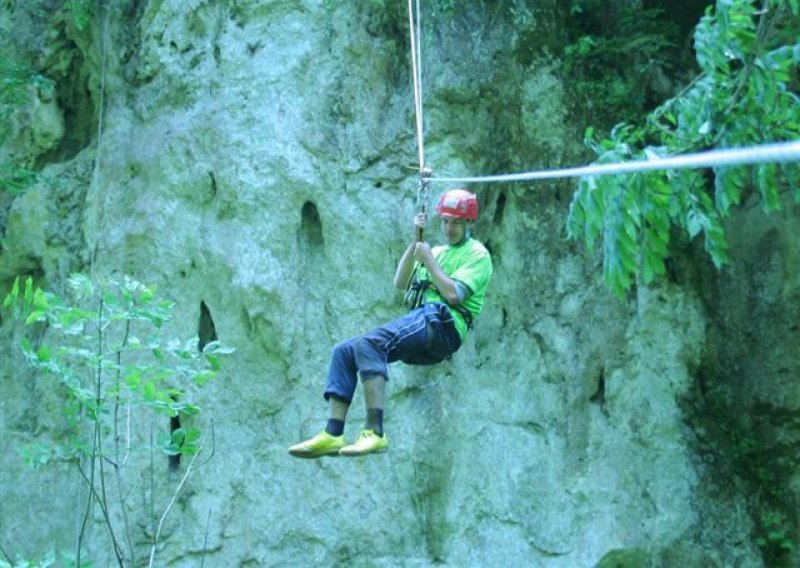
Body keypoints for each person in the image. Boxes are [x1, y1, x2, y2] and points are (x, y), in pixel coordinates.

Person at [288, 188, 493, 458]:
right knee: (346, 351)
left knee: (371, 345)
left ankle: (375, 432)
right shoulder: (438, 251)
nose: (449, 227)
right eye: (445, 221)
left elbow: (454, 294)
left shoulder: (477, 253)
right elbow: (400, 282)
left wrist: (429, 260)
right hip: (423, 321)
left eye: (456, 222)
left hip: (443, 325)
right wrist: (414, 244)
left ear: (469, 223)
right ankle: (333, 433)